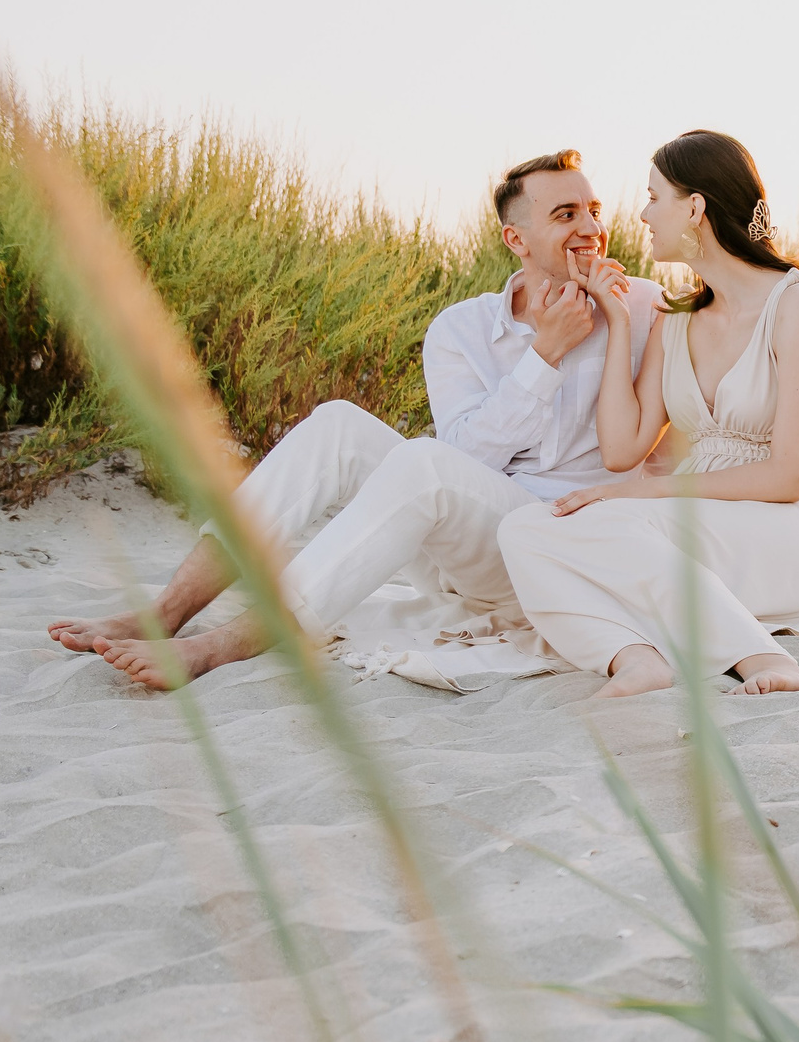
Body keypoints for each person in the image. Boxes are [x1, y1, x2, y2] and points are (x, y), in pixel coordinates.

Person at [50, 149, 661, 689]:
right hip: (465, 547)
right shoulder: (462, 329)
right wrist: (544, 355)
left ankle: (223, 645)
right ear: (515, 240)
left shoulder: (641, 306)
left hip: (555, 553)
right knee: (340, 423)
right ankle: (168, 612)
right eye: (565, 215)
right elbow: (466, 460)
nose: (592, 229)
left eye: (593, 210)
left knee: (422, 465)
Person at [498, 130, 799, 698]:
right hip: (700, 523)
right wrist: (619, 319)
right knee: (525, 528)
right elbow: (624, 450)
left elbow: (788, 476)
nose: (642, 214)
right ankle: (635, 659)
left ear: (694, 207)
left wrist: (639, 494)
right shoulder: (676, 316)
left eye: (654, 197)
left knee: (613, 527)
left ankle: (762, 657)